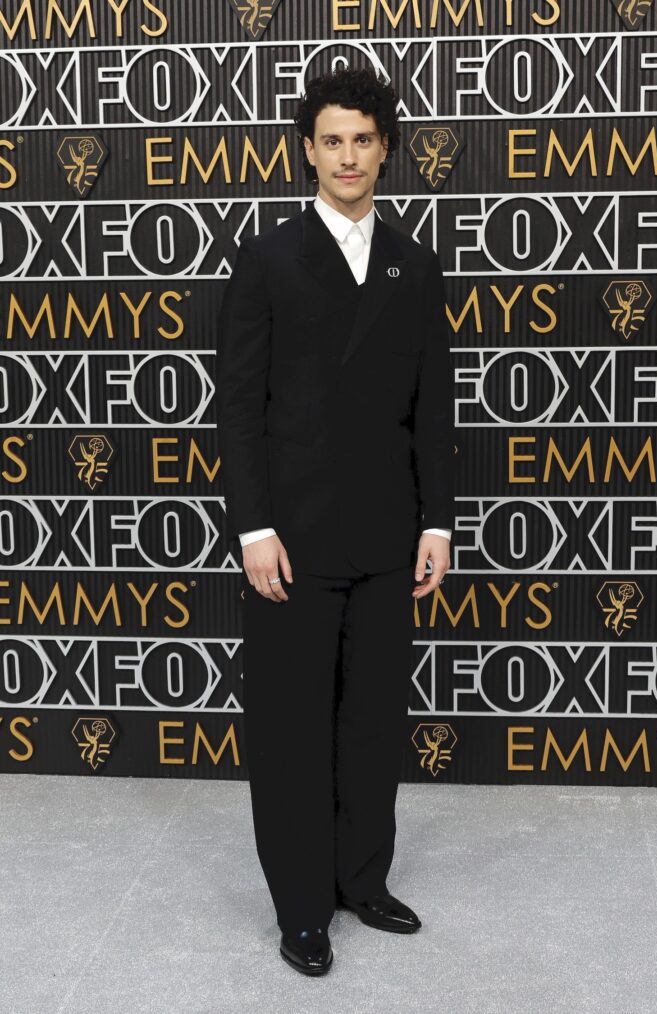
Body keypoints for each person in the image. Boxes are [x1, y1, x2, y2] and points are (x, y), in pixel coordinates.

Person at [216, 66, 454, 975]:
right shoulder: (269, 257)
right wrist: (253, 528)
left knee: (371, 723)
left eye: (363, 139)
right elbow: (239, 406)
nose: (348, 156)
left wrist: (438, 522)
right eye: (332, 140)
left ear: (385, 148)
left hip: (391, 538)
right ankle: (303, 907)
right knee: (291, 730)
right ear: (307, 150)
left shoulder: (415, 262)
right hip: (294, 542)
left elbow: (433, 408)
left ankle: (363, 878)